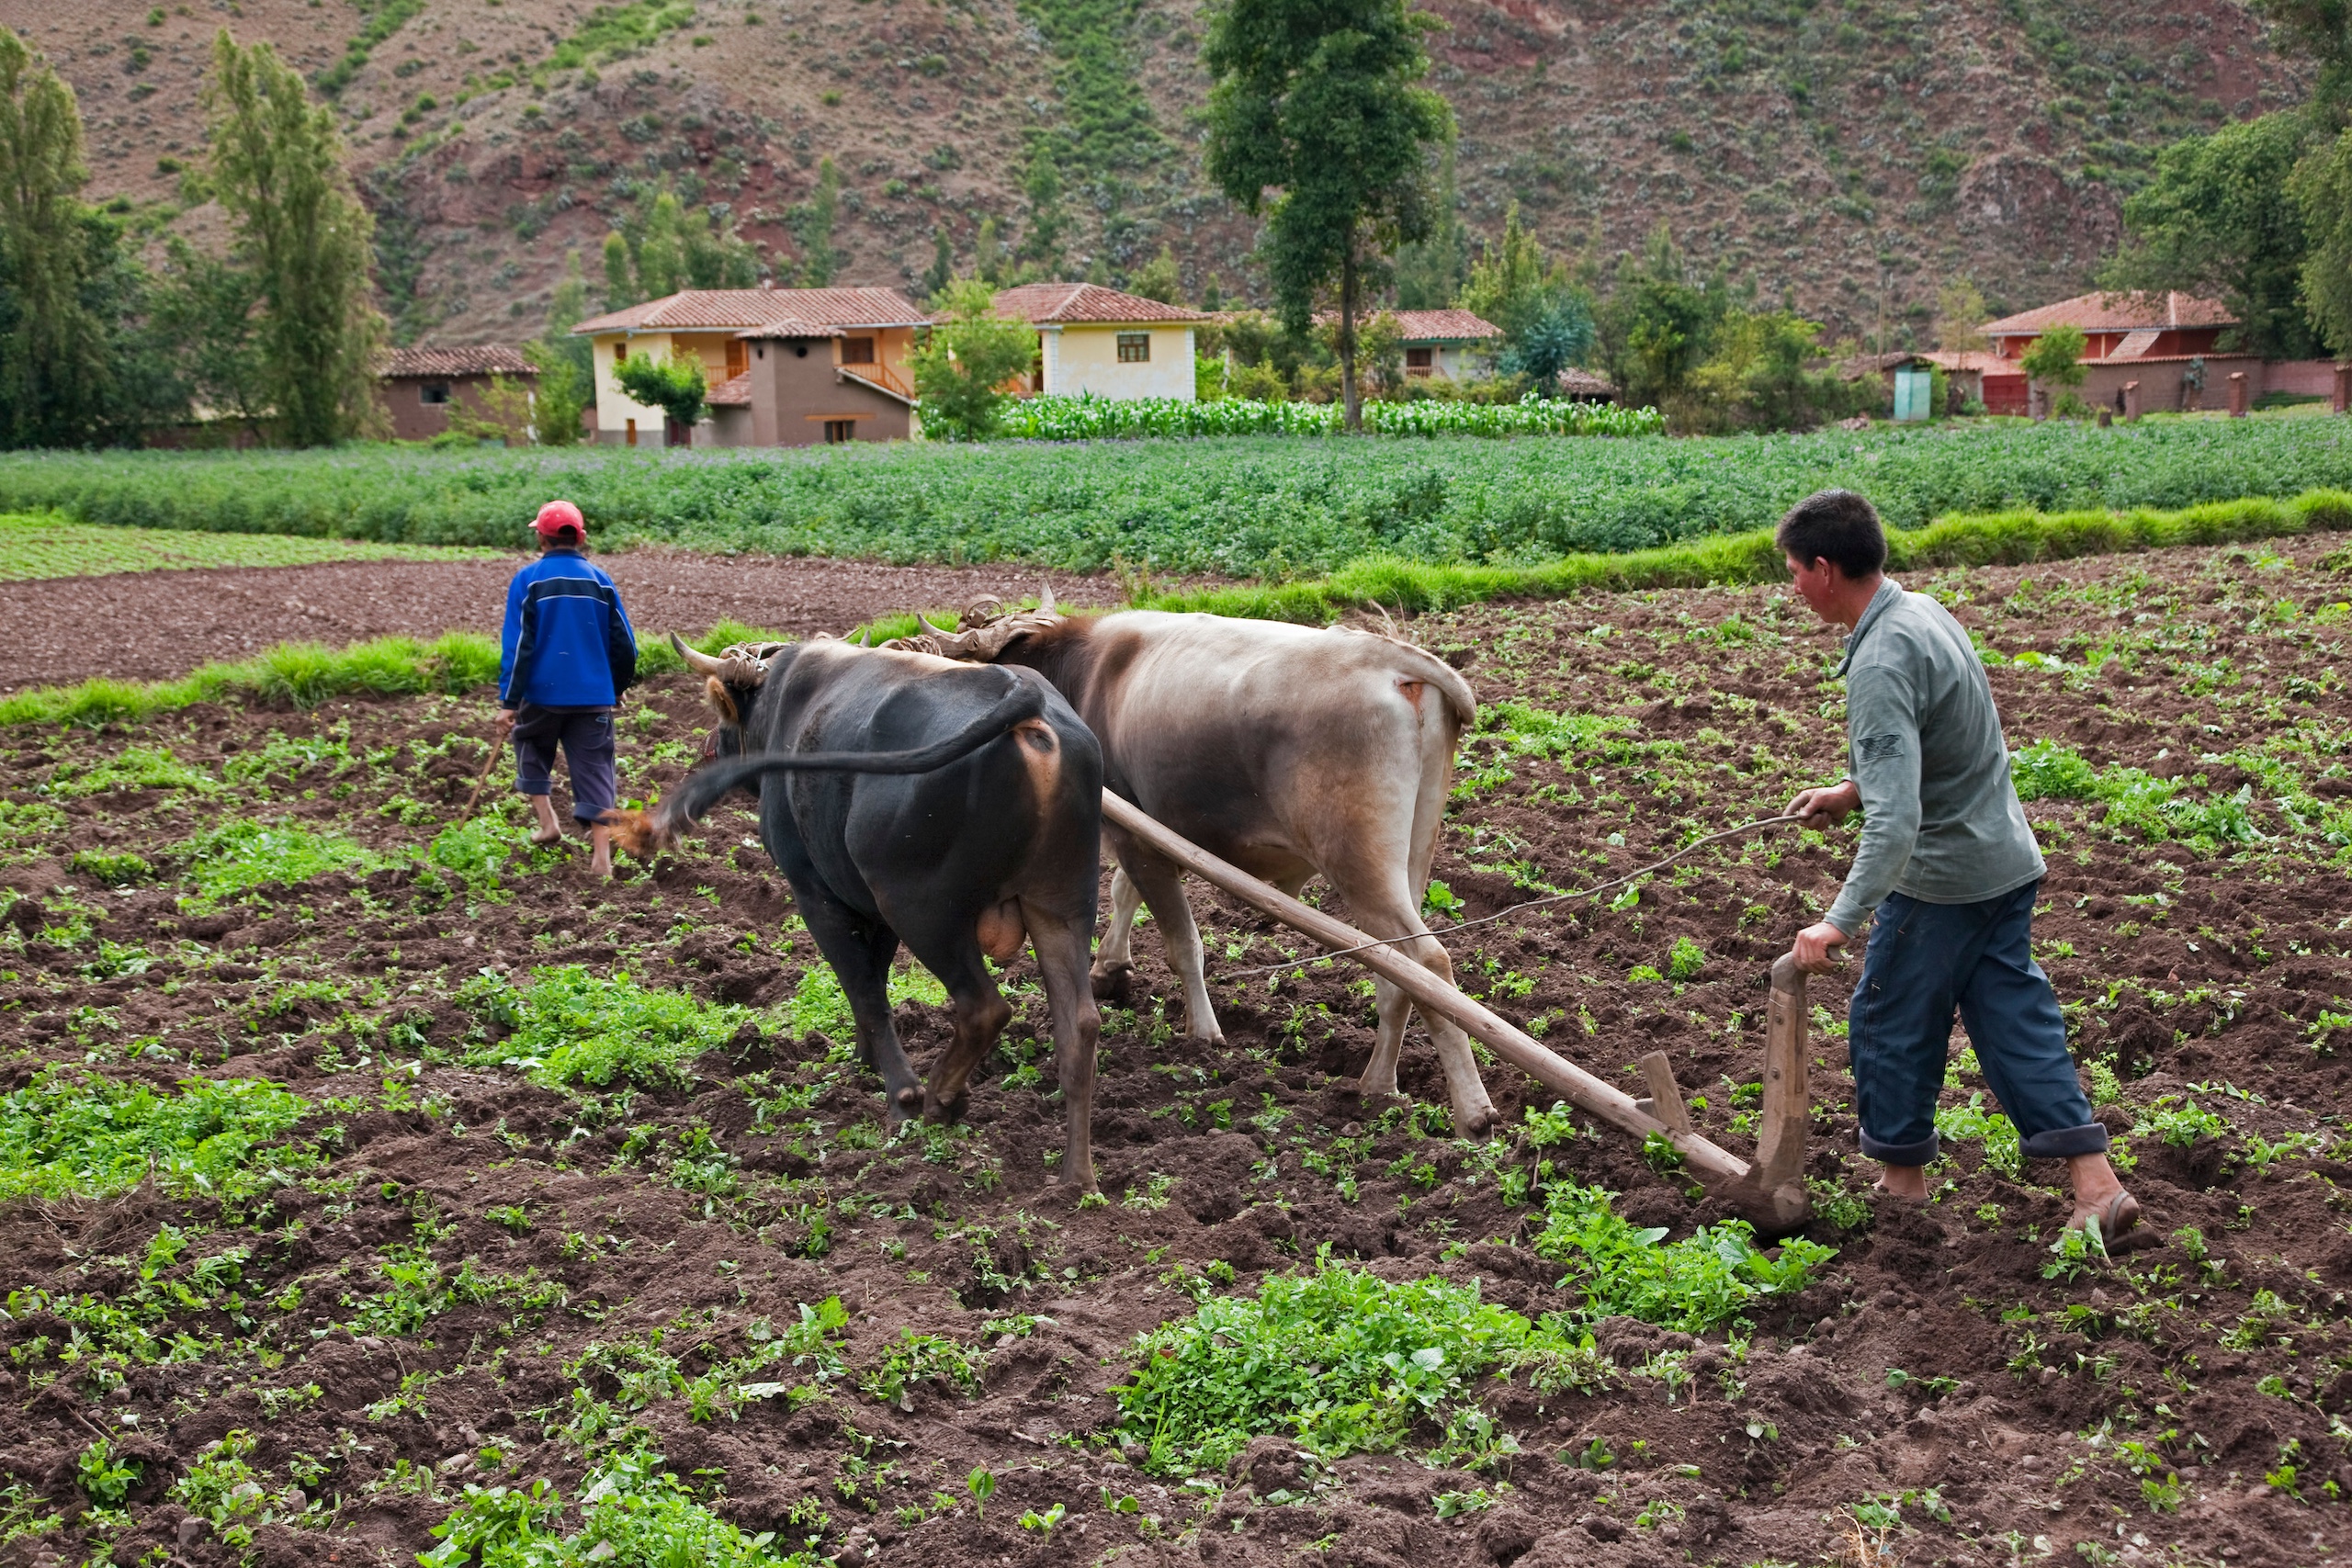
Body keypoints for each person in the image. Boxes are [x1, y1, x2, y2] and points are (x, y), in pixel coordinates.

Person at [1776, 489, 2138, 1239]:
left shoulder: (1878, 659)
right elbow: (1943, 738)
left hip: (1942, 883)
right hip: (2002, 861)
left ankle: (1901, 1189)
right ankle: (2097, 1184)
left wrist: (1838, 920)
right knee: (2015, 1027)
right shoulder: (1922, 612)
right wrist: (1852, 789)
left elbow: (1901, 819)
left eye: (1793, 573)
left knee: (1887, 1019)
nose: (1793, 590)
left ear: (1824, 567)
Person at [497, 500, 638, 878]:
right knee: (596, 770)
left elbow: (519, 646)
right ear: (582, 538)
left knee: (529, 745)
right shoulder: (600, 580)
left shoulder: (528, 580)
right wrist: (617, 685)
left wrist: (509, 702)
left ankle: (547, 823)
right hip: (593, 695)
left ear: (541, 539)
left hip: (541, 695)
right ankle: (602, 860)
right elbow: (625, 645)